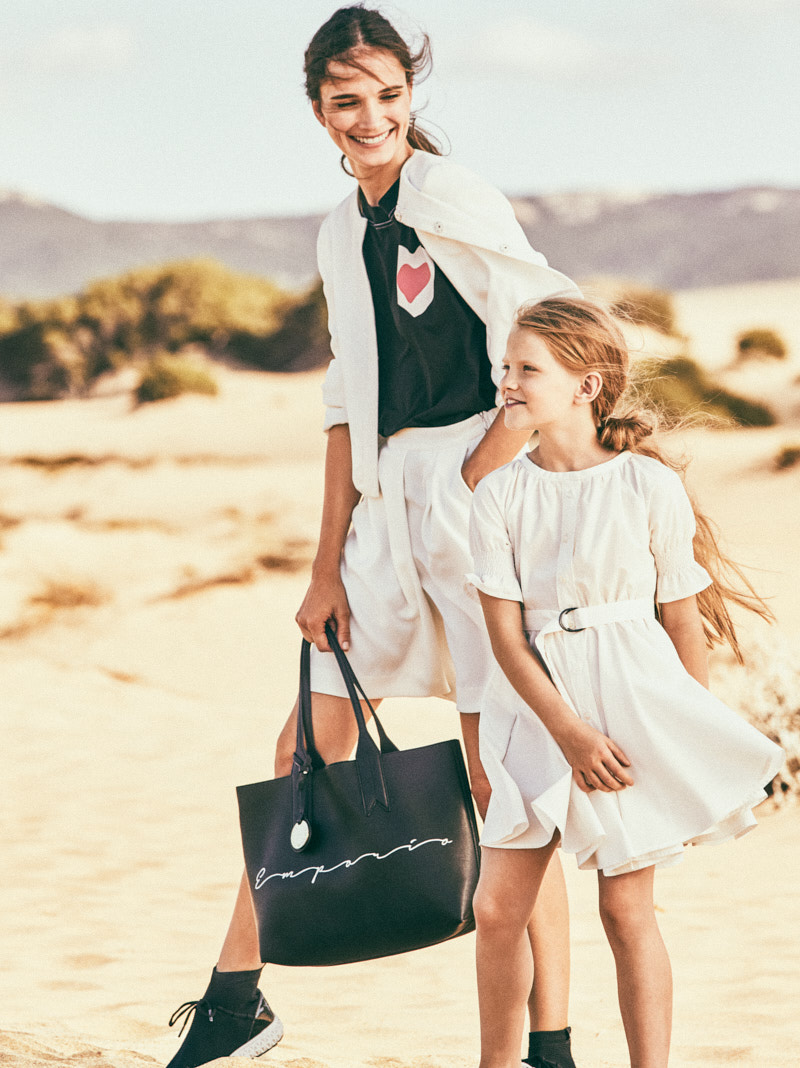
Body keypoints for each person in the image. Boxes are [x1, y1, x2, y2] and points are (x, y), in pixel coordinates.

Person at [165, 7, 584, 1068]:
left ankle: (550, 1049)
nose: (370, 118)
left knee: (501, 783)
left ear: (410, 99)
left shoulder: (453, 197)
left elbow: (560, 327)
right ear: (318, 112)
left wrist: (490, 464)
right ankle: (234, 1002)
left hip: (468, 499)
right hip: (380, 510)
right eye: (346, 101)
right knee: (305, 746)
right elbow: (345, 403)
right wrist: (320, 569)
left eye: (388, 97)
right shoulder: (338, 229)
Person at [466, 296, 785, 1067]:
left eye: (526, 370)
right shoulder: (499, 493)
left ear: (586, 385)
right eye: (504, 368)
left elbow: (681, 621)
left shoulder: (647, 487)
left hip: (633, 707)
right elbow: (505, 641)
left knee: (625, 908)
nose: (508, 382)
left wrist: (681, 728)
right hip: (537, 712)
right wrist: (568, 733)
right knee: (499, 905)